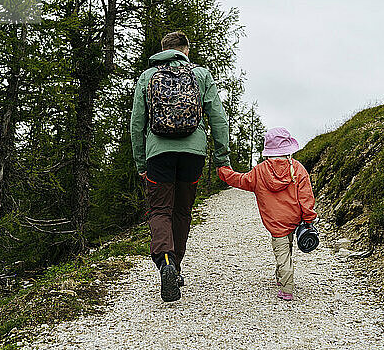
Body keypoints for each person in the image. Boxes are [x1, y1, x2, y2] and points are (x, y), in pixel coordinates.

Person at [130, 31, 230, 302]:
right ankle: (177, 264)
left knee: (160, 209)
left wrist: (141, 161)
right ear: (186, 50)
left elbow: (137, 123)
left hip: (158, 153)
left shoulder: (147, 77)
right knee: (183, 210)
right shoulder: (201, 74)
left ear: (163, 50)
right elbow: (218, 118)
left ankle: (165, 262)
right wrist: (221, 158)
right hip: (192, 153)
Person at [217, 127, 317, 301]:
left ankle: (287, 289)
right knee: (288, 248)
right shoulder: (298, 169)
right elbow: (306, 196)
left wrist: (224, 172)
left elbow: (240, 180)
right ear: (288, 150)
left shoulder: (260, 171)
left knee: (282, 252)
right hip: (294, 219)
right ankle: (281, 276)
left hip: (275, 223)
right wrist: (308, 217)